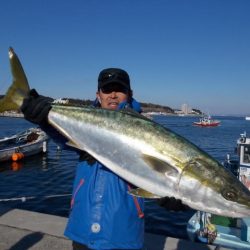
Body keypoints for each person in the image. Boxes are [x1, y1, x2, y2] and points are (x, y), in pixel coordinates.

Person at [21, 68, 189, 250]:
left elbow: (156, 173)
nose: (113, 95)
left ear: (130, 94)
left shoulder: (149, 133)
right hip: (82, 230)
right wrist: (40, 116)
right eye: (107, 90)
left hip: (123, 235)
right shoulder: (85, 125)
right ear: (98, 95)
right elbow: (61, 135)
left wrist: (175, 192)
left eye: (119, 89)